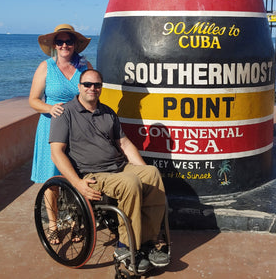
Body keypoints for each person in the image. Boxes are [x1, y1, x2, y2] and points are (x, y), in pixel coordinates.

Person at [49, 69, 170, 274]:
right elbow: (56, 152)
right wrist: (77, 183)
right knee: (130, 183)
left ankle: (148, 241)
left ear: (101, 88)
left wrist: (143, 169)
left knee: (152, 174)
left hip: (118, 166)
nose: (92, 88)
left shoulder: (107, 112)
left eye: (96, 85)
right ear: (79, 87)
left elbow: (124, 144)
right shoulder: (65, 113)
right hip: (92, 173)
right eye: (87, 84)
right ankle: (125, 246)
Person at [29, 24, 92, 244]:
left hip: (78, 127)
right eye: (60, 42)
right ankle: (53, 225)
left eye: (69, 42)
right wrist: (50, 108)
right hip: (51, 127)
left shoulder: (85, 66)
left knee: (77, 175)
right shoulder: (45, 67)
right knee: (52, 179)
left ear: (75, 45)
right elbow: (33, 100)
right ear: (54, 45)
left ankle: (77, 222)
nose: (65, 45)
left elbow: (93, 93)